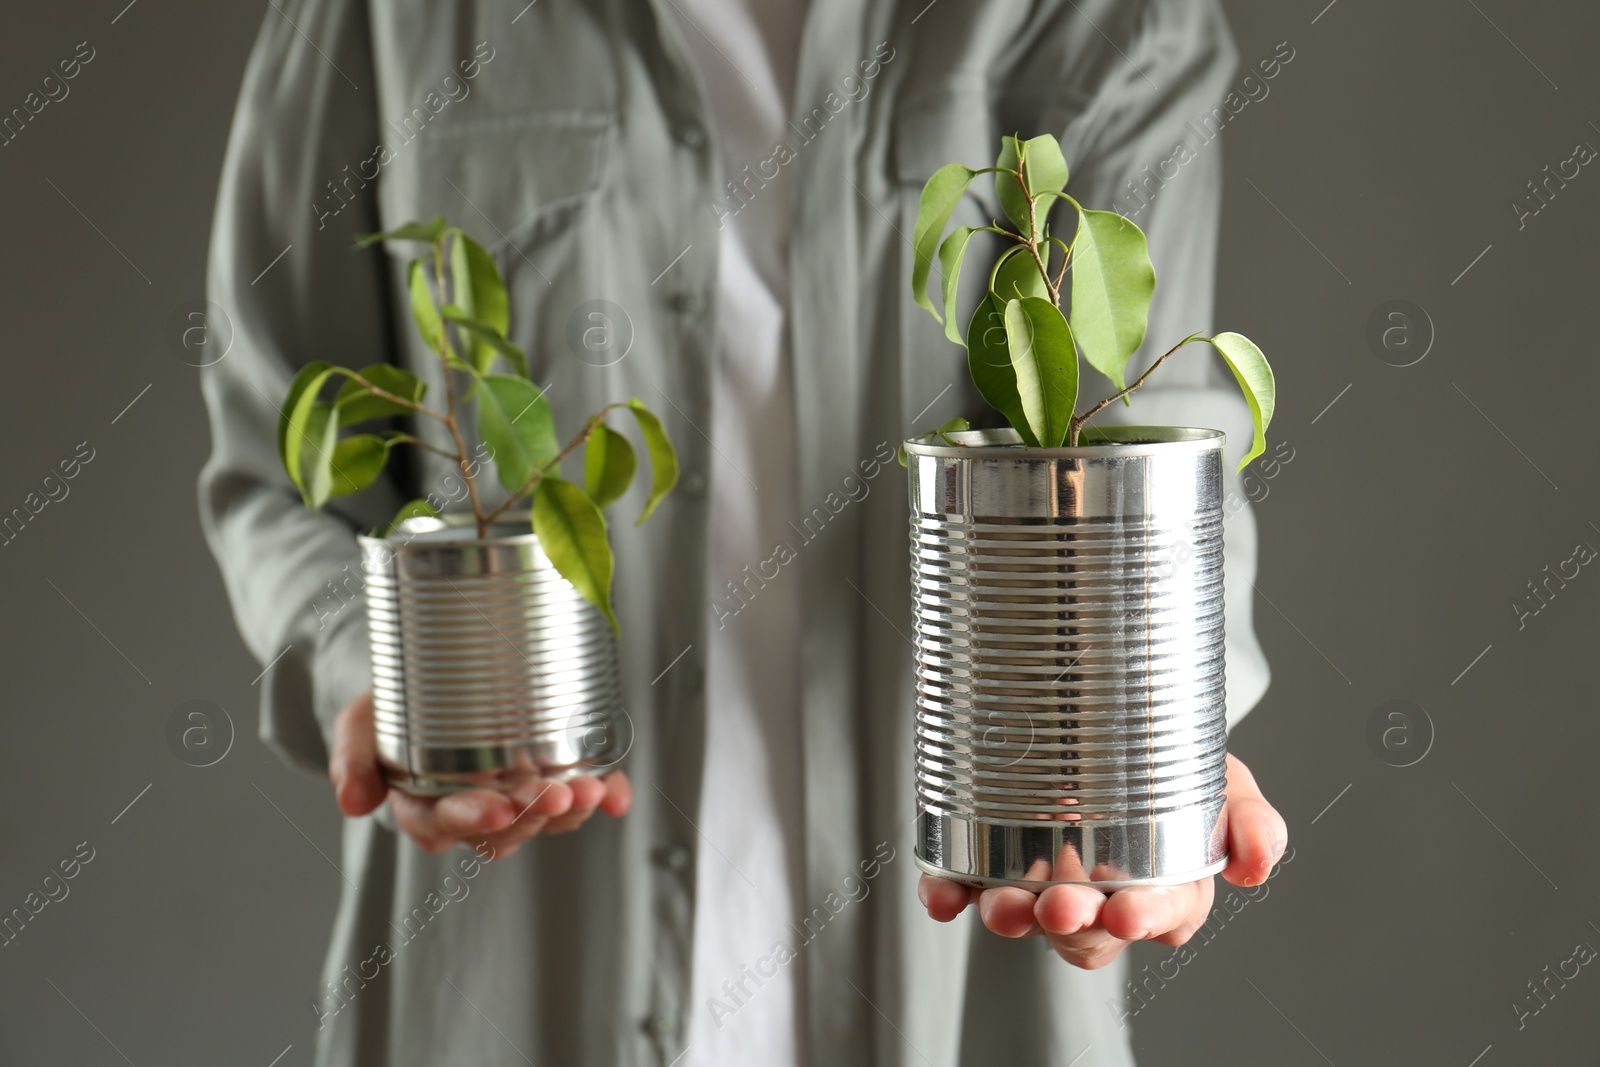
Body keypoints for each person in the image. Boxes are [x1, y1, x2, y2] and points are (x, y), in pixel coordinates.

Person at [198, 1, 1286, 1065]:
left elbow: (1150, 456)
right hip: (503, 981)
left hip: (960, 979)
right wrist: (371, 674)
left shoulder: (1116, 15)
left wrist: (1156, 768)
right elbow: (277, 455)